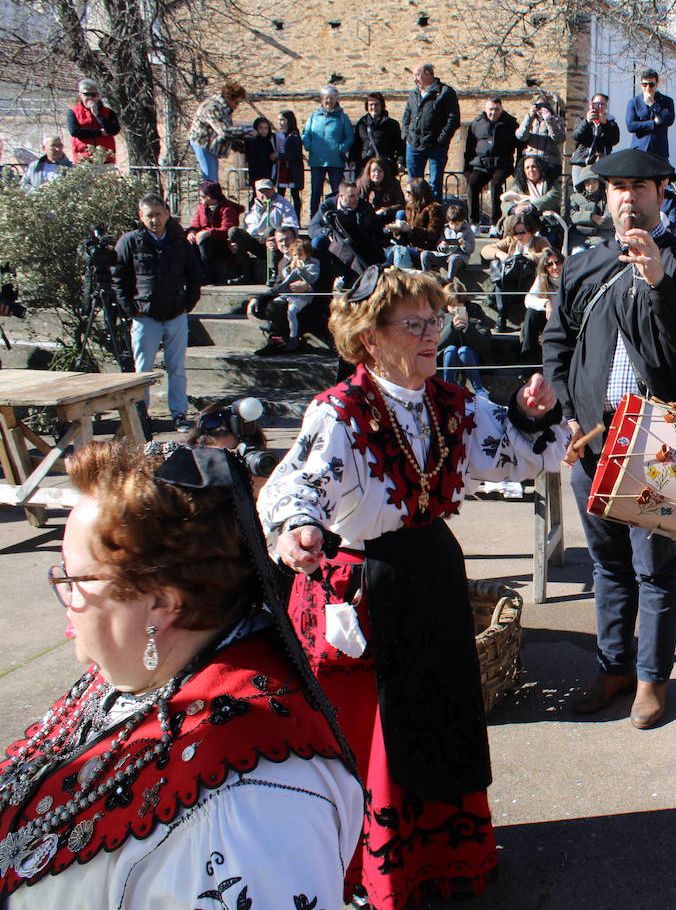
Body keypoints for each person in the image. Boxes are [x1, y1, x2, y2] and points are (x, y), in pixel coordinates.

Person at [258, 266, 567, 908]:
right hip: (362, 584)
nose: (432, 335)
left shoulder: (453, 403)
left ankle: (445, 855)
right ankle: (372, 874)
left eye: (436, 321)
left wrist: (532, 415)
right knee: (376, 732)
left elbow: (518, 453)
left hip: (430, 570)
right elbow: (298, 481)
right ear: (369, 338)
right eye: (415, 324)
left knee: (441, 716)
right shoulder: (337, 411)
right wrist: (298, 528)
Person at [0, 441, 361, 906]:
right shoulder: (136, 671)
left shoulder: (245, 806)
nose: (67, 600)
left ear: (162, 601)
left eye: (75, 580)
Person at [543, 148, 676, 729]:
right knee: (608, 565)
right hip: (591, 438)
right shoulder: (583, 265)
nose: (627, 197)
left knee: (654, 567)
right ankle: (613, 666)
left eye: (639, 186)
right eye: (616, 186)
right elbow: (557, 344)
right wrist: (567, 412)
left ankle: (651, 680)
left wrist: (658, 279)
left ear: (662, 190)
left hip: (660, 440)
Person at [112, 195, 202, 431]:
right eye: (149, 215)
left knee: (177, 367)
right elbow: (118, 277)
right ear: (141, 216)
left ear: (166, 213)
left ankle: (179, 414)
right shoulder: (130, 242)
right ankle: (142, 417)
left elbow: (194, 274)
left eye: (158, 214)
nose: (154, 219)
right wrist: (130, 309)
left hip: (175, 313)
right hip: (145, 315)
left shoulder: (179, 241)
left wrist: (188, 303)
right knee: (142, 370)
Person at [481, 209, 551, 331]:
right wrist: (500, 254)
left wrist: (530, 257)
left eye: (522, 232)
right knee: (498, 274)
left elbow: (548, 254)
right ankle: (501, 315)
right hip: (509, 281)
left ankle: (526, 319)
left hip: (530, 281)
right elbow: (485, 250)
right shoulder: (511, 242)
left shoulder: (539, 241)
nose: (519, 236)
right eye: (515, 233)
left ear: (530, 231)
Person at [250, 238, 321, 354]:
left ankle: (293, 338)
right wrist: (257, 298)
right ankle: (274, 333)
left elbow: (313, 280)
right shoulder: (284, 263)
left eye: (300, 255)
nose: (297, 258)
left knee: (290, 312)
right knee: (271, 305)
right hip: (288, 294)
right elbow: (279, 284)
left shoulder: (312, 264)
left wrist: (304, 280)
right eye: (295, 255)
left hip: (304, 298)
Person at [308, 180, 386, 282]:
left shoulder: (364, 206)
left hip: (357, 245)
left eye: (358, 195)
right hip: (334, 244)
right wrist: (328, 233)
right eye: (352, 196)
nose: (356, 199)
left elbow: (376, 228)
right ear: (341, 196)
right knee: (317, 242)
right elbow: (312, 228)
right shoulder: (327, 206)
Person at [402, 63, 461, 194]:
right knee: (414, 186)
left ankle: (434, 214)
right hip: (414, 145)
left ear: (428, 74)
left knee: (435, 185)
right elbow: (406, 117)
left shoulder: (445, 92)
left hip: (436, 146)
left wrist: (441, 139)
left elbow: (453, 119)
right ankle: (416, 213)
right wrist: (406, 135)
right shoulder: (414, 94)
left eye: (417, 75)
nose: (414, 79)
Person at [229, 178, 300, 285]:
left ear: (273, 190)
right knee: (234, 231)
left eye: (267, 190)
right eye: (260, 191)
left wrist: (278, 239)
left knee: (270, 230)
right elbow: (247, 227)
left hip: (276, 244)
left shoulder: (284, 205)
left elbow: (292, 227)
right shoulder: (254, 207)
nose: (264, 194)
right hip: (256, 240)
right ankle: (244, 273)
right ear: (256, 192)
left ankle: (273, 273)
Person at [464, 96, 520, 224]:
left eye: (496, 109)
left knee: (495, 186)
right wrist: (466, 168)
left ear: (501, 109)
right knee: (472, 185)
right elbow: (469, 147)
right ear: (486, 109)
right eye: (491, 109)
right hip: (481, 164)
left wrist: (518, 168)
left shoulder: (510, 123)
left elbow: (519, 145)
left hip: (501, 163)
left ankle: (496, 222)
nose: (493, 112)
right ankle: (474, 222)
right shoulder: (477, 123)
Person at [302, 85, 355, 215]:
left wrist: (341, 148)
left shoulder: (342, 118)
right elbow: (306, 133)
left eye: (332, 98)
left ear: (336, 99)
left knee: (336, 192)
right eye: (326, 98)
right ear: (321, 99)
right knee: (315, 192)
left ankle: (336, 217)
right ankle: (314, 219)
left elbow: (350, 136)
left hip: (335, 161)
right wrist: (309, 145)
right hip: (317, 161)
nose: (329, 101)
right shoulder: (313, 117)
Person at [187, 82, 248, 183]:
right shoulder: (213, 107)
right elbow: (224, 131)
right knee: (210, 179)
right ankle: (210, 196)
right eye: (236, 102)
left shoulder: (224, 108)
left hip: (212, 145)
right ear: (229, 98)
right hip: (203, 143)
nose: (237, 106)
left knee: (213, 178)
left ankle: (212, 195)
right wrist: (247, 134)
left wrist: (236, 144)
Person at [186, 181, 244, 285]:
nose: (200, 198)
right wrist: (192, 232)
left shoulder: (227, 208)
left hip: (221, 244)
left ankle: (208, 275)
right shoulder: (201, 208)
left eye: (203, 196)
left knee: (205, 241)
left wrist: (209, 233)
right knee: (190, 242)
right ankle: (193, 274)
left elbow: (227, 229)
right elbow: (195, 224)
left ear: (210, 196)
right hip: (203, 240)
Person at [385, 178, 445, 268]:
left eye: (409, 192)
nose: (406, 195)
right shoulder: (410, 208)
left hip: (425, 250)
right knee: (390, 250)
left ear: (418, 192)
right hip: (410, 247)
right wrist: (398, 230)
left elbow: (433, 234)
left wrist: (411, 228)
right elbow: (404, 238)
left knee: (398, 250)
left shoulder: (434, 209)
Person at [521, 246, 562, 361]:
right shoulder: (542, 279)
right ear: (545, 268)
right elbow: (528, 300)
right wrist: (546, 303)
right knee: (531, 314)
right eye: (549, 264)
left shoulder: (571, 278)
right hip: (549, 321)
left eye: (557, 262)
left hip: (566, 321)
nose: (555, 267)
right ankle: (527, 362)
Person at [625, 69, 675, 160]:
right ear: (641, 84)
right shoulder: (634, 102)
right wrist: (652, 123)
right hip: (640, 151)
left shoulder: (667, 101)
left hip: (659, 152)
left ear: (656, 84)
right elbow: (631, 125)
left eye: (651, 85)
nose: (648, 88)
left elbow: (669, 120)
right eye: (644, 84)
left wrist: (653, 104)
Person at [67, 78, 120, 164]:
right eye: (86, 94)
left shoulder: (109, 112)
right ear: (80, 95)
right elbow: (75, 131)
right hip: (83, 160)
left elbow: (113, 130)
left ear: (98, 96)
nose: (90, 98)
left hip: (106, 160)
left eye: (93, 95)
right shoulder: (73, 112)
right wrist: (100, 132)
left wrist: (97, 114)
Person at [422, 202, 478, 281]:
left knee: (453, 258)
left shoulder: (468, 231)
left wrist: (464, 244)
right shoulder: (446, 229)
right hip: (444, 255)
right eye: (452, 224)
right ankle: (427, 279)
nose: (454, 226)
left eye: (457, 224)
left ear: (462, 221)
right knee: (425, 254)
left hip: (458, 257)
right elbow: (439, 244)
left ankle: (449, 280)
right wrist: (442, 246)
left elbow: (471, 249)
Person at [352, 92, 404, 173]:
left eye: (376, 104)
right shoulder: (362, 124)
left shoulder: (392, 124)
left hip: (385, 164)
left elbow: (399, 145)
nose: (373, 107)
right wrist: (353, 159)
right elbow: (356, 144)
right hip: (365, 164)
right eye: (371, 105)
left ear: (381, 106)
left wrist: (400, 161)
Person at [517, 94, 567, 167]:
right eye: (538, 106)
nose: (540, 109)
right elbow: (521, 136)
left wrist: (549, 121)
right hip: (532, 161)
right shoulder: (530, 120)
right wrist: (529, 117)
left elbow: (559, 139)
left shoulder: (555, 120)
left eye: (544, 105)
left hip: (550, 162)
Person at [570, 93, 620, 166]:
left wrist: (605, 125)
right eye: (596, 104)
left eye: (602, 104)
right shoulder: (581, 120)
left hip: (601, 162)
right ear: (591, 105)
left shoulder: (611, 123)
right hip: (581, 161)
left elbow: (613, 140)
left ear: (606, 107)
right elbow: (577, 136)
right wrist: (587, 122)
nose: (599, 107)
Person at [570, 165, 614, 247]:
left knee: (595, 254)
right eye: (587, 183)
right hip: (579, 237)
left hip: (601, 236)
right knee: (577, 253)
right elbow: (571, 217)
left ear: (600, 183)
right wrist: (591, 217)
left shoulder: (607, 198)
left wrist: (583, 221)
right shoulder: (575, 197)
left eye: (594, 182)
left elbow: (611, 219)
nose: (591, 186)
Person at [273, 110, 306, 216]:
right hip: (282, 168)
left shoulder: (294, 136)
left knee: (295, 195)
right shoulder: (277, 135)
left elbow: (295, 154)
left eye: (282, 120)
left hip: (292, 169)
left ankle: (296, 218)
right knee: (280, 194)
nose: (280, 122)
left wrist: (280, 156)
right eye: (278, 120)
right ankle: (279, 217)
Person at [357, 156, 406, 221]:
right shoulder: (362, 184)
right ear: (369, 172)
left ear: (384, 172)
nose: (377, 174)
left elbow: (401, 205)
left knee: (401, 213)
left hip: (388, 217)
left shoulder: (393, 184)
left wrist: (386, 210)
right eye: (373, 171)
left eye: (380, 171)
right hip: (368, 219)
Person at [243, 116, 276, 185]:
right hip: (256, 172)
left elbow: (271, 156)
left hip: (267, 172)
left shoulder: (267, 141)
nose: (263, 130)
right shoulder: (252, 141)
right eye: (260, 128)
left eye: (266, 128)